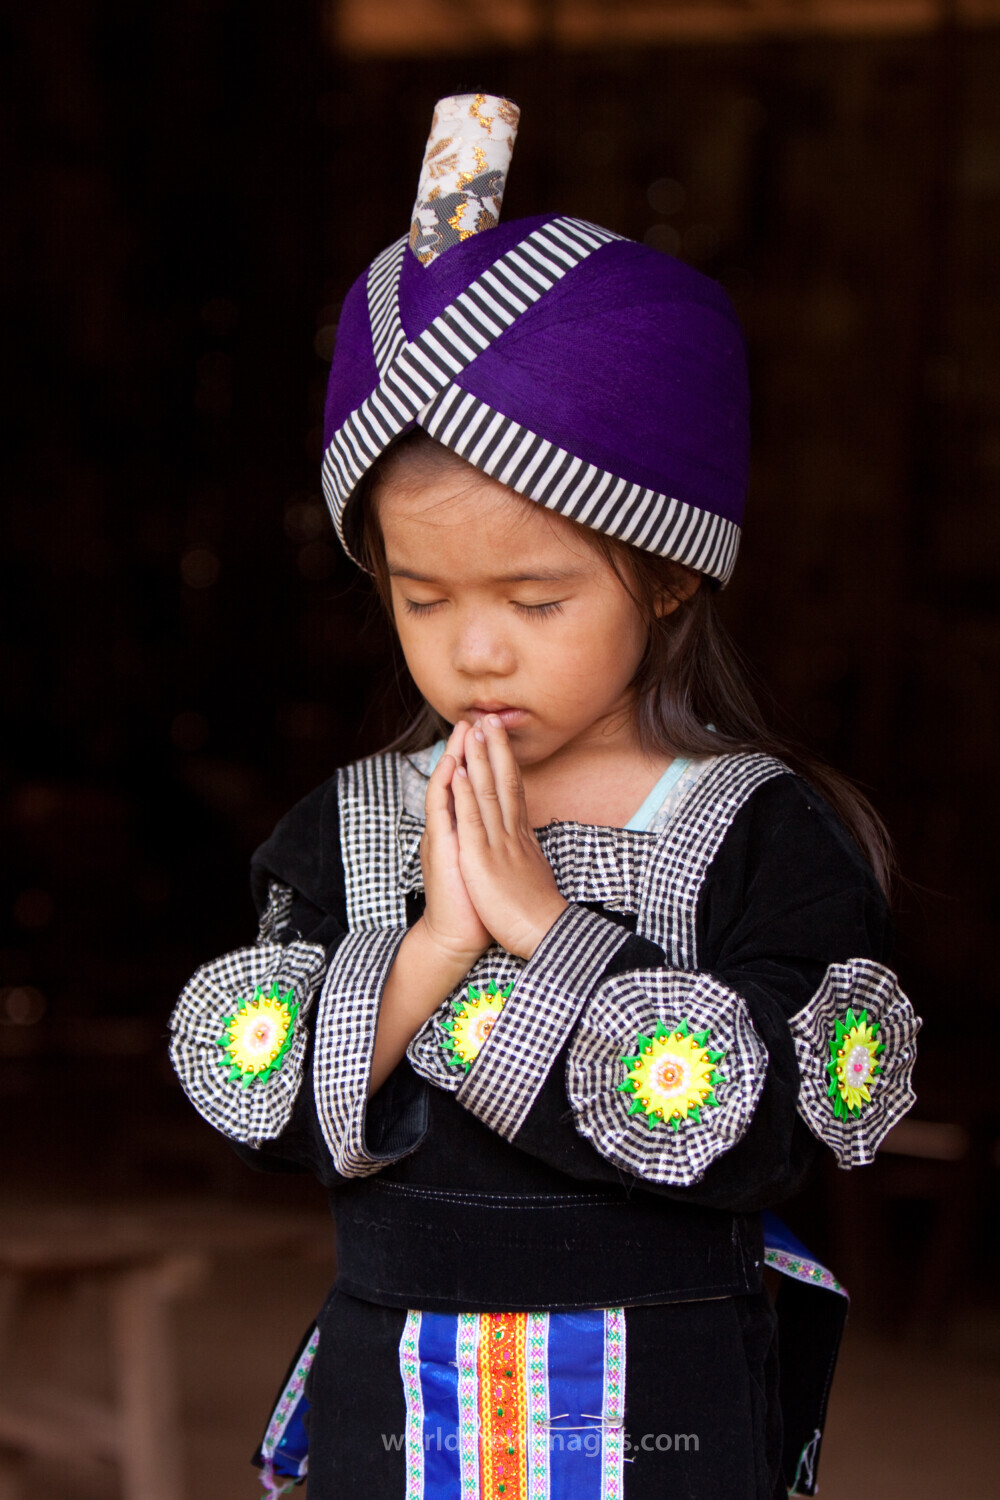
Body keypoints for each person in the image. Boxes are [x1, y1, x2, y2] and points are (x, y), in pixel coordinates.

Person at [169, 94, 921, 1500]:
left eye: (535, 595)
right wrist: (436, 946)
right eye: (421, 593)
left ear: (673, 568)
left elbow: (774, 1131)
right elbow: (249, 1100)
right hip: (389, 1400)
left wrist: (542, 925)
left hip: (667, 1417)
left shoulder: (760, 832)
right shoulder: (347, 826)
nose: (472, 646)